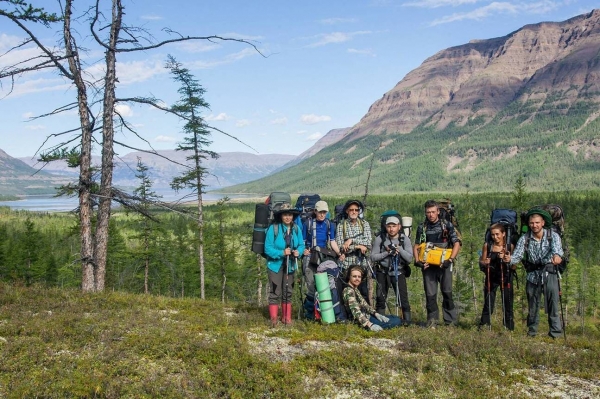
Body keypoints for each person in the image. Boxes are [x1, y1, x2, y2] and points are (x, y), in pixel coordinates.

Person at [506, 209, 564, 338]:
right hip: (532, 275)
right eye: (532, 223)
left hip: (550, 273)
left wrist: (557, 257)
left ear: (543, 223)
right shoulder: (525, 238)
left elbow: (558, 251)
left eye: (537, 222)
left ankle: (555, 334)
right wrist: (509, 260)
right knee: (533, 306)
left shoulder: (553, 236)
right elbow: (517, 256)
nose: (534, 225)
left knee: (553, 304)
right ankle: (532, 333)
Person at [413, 199, 461, 327]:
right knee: (430, 294)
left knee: (447, 292)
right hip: (428, 266)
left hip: (444, 264)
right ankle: (432, 322)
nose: (431, 215)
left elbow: (456, 243)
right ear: (425, 212)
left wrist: (450, 260)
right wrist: (418, 261)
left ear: (438, 211)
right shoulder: (422, 227)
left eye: (433, 212)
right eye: (428, 212)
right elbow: (416, 245)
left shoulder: (447, 225)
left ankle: (450, 323)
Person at [264, 202, 305, 327]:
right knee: (275, 291)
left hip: (291, 264)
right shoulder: (274, 228)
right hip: (275, 265)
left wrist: (299, 251)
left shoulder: (296, 229)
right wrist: (282, 252)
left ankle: (286, 318)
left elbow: (301, 244)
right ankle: (274, 319)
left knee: (288, 291)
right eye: (285, 215)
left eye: (290, 215)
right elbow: (267, 248)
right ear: (281, 216)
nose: (288, 217)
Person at [301, 200, 344, 320]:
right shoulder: (307, 224)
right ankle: (310, 315)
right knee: (310, 286)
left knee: (324, 286)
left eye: (324, 212)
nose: (322, 214)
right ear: (315, 211)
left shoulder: (329, 224)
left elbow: (332, 241)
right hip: (310, 257)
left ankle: (323, 314)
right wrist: (304, 251)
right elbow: (302, 241)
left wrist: (339, 253)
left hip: (323, 257)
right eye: (320, 212)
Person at [370, 214, 414, 325]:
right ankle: (381, 321)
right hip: (382, 271)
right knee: (380, 298)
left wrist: (399, 250)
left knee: (403, 299)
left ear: (399, 227)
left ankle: (407, 322)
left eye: (394, 226)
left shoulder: (405, 239)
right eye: (389, 226)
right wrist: (387, 252)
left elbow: (409, 258)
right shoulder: (380, 238)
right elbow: (373, 256)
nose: (391, 229)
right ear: (386, 227)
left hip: (398, 272)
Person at [478, 223, 515, 330]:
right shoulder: (487, 246)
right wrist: (485, 262)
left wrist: (507, 259)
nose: (495, 237)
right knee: (488, 302)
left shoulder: (509, 246)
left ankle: (509, 328)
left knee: (507, 303)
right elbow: (482, 261)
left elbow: (514, 266)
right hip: (491, 276)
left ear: (503, 234)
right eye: (493, 235)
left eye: (497, 234)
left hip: (506, 276)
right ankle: (484, 326)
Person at [343, 265, 402, 331]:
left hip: (368, 316)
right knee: (396, 321)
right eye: (354, 276)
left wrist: (375, 313)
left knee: (394, 317)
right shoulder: (348, 291)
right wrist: (370, 325)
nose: (357, 279)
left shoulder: (355, 289)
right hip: (361, 321)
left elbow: (365, 304)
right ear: (349, 277)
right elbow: (356, 312)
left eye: (359, 277)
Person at [335, 199, 372, 301]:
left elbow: (368, 242)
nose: (354, 212)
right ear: (347, 211)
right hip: (347, 265)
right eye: (351, 210)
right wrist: (358, 246)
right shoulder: (341, 226)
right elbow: (341, 247)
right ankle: (347, 316)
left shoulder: (365, 224)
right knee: (347, 293)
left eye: (356, 209)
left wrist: (351, 240)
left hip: (361, 264)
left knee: (363, 292)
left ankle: (365, 314)